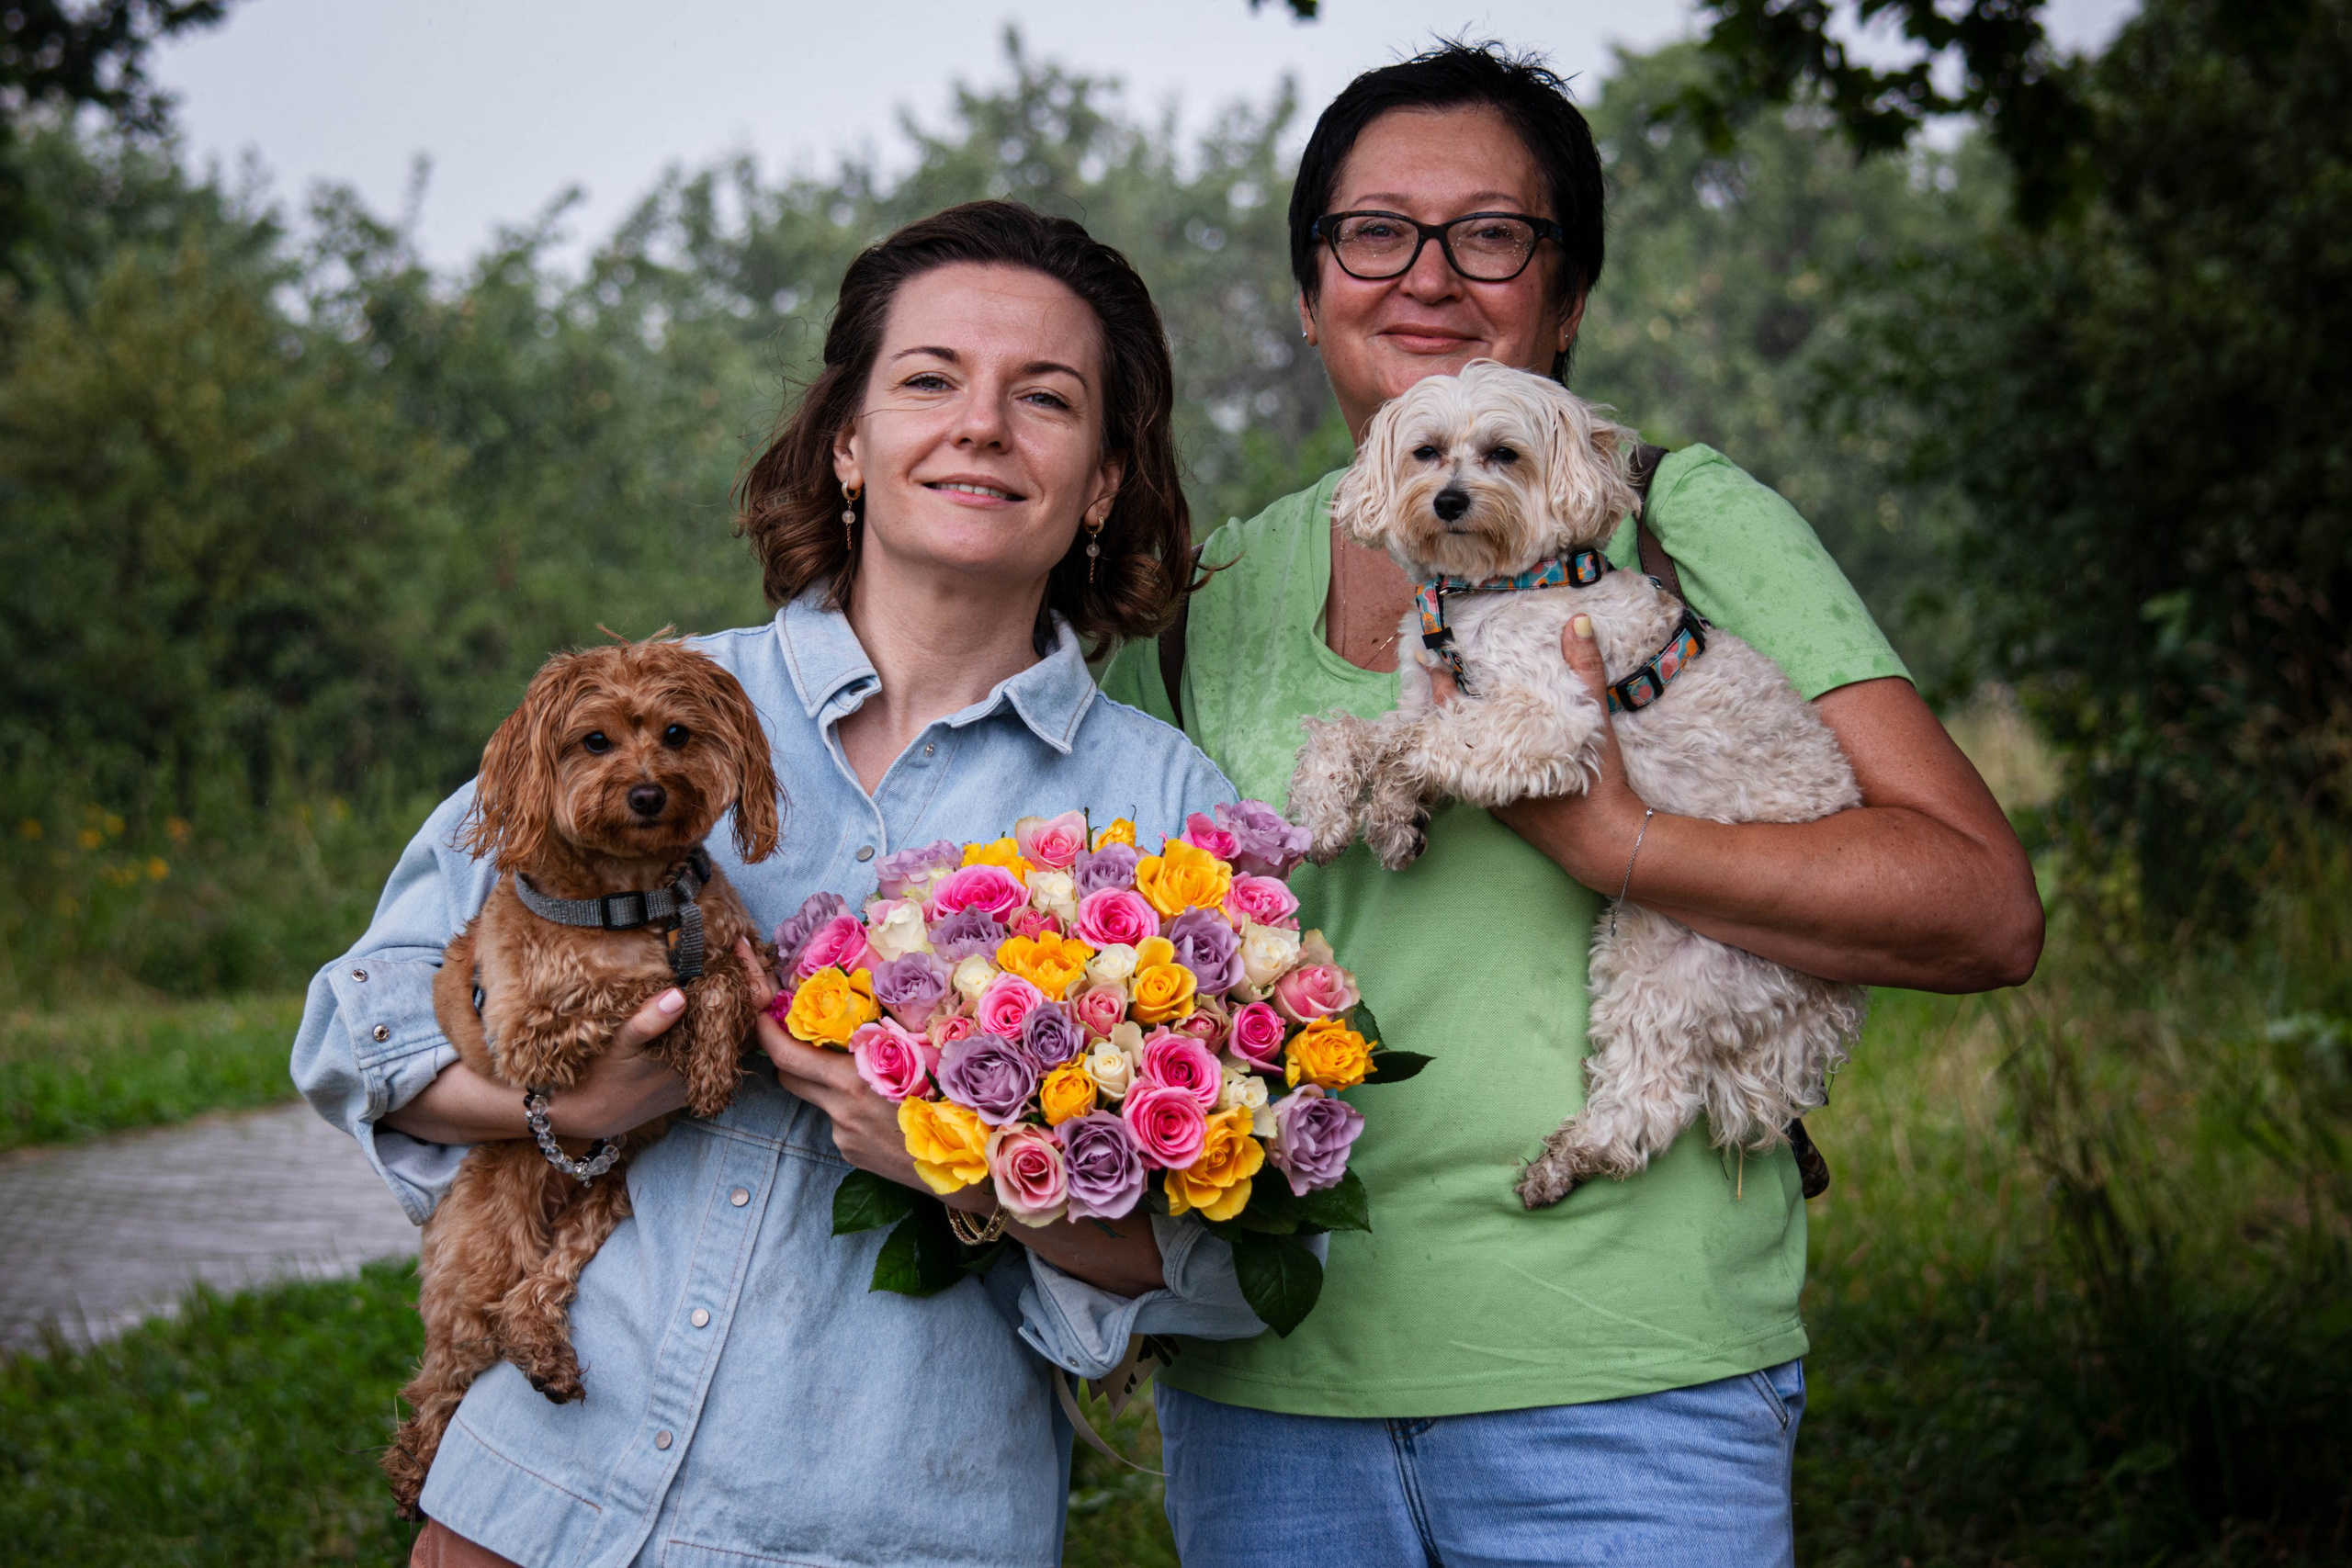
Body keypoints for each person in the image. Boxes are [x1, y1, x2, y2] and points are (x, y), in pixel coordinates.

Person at [1095, 41, 2046, 1568]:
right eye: (1372, 233)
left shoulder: (1683, 519)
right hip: (1269, 1392)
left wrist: (1630, 844)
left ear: (1570, 295)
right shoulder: (1209, 601)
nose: (1427, 279)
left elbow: (1981, 907)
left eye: (1492, 234)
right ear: (1309, 289)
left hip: (1625, 1391)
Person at [293, 200, 1272, 1568]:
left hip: (890, 1526)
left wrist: (970, 1166)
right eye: (929, 380)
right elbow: (364, 1022)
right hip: (533, 1503)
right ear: (849, 445)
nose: (980, 425)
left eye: (1043, 397)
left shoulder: (1167, 816)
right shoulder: (651, 704)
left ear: (1104, 478)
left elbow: (1236, 1265)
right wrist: (566, 1099)